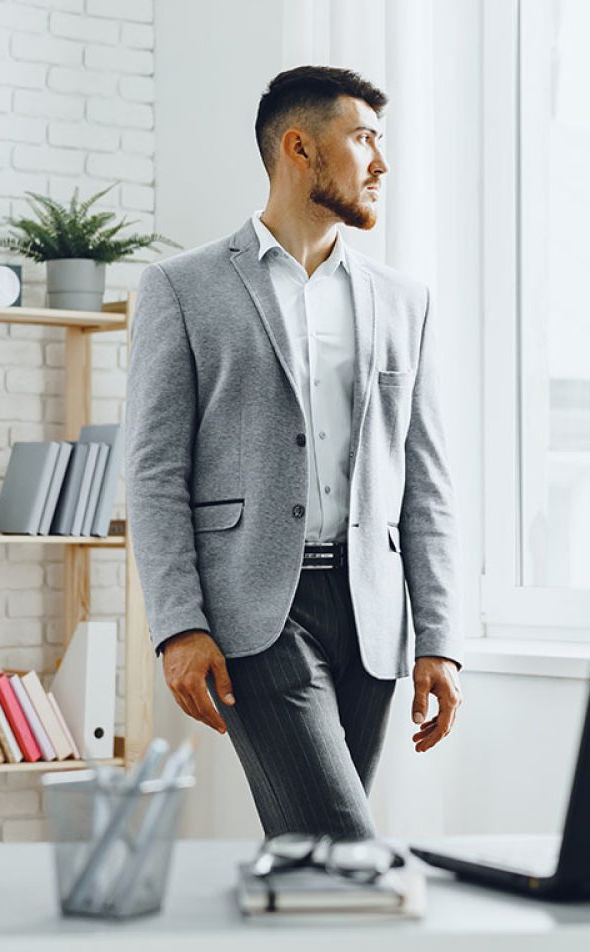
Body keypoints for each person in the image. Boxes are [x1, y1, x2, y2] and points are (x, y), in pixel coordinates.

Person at [126, 65, 463, 840]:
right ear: (299, 148)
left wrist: (439, 639)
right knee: (345, 844)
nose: (382, 164)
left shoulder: (404, 302)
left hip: (374, 616)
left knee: (318, 864)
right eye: (364, 140)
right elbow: (154, 472)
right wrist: (178, 625)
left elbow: (427, 483)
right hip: (255, 615)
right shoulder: (182, 288)